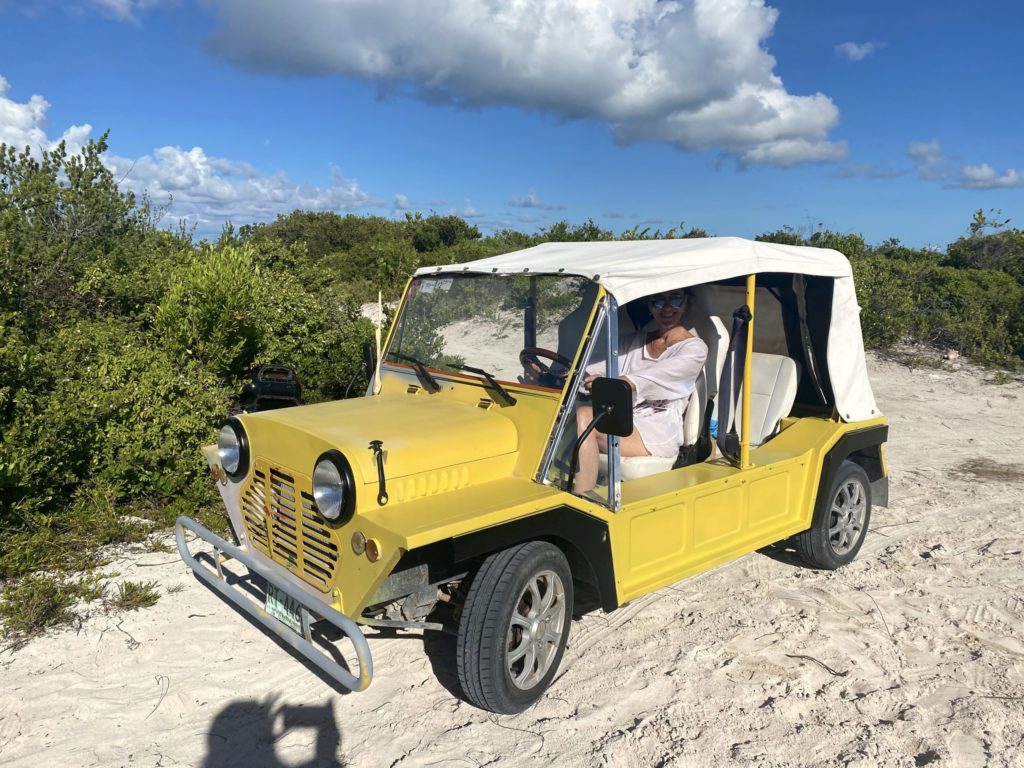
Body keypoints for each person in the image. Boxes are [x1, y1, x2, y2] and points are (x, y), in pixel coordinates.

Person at [574, 289, 708, 492]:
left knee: (585, 415)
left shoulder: (694, 349)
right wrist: (566, 374)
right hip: (627, 417)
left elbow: (654, 377)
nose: (667, 308)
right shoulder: (632, 342)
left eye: (675, 299)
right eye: (658, 301)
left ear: (686, 302)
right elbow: (592, 367)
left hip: (658, 427)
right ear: (650, 306)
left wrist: (616, 382)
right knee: (564, 413)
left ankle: (581, 496)